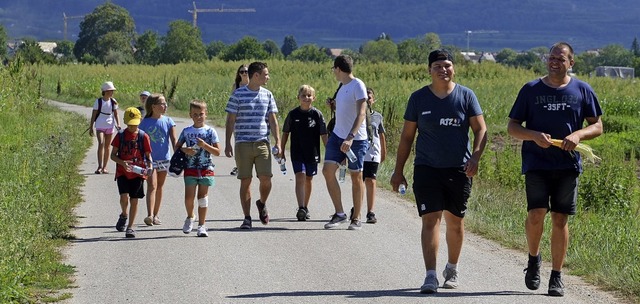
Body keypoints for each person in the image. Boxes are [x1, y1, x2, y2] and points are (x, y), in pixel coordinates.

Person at [507, 42, 603, 297]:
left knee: (560, 219)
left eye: (560, 59)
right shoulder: (531, 90)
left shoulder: (582, 90)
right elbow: (512, 127)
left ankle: (557, 276)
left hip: (567, 165)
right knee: (536, 214)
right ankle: (534, 259)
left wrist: (579, 135)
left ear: (571, 63)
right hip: (537, 163)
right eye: (551, 58)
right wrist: (533, 135)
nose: (554, 62)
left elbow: (598, 125)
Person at [390, 49, 487, 294]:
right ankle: (430, 275)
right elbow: (407, 138)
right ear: (429, 70)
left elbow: (481, 130)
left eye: (447, 65)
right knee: (430, 220)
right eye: (438, 66)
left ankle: (452, 268)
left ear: (453, 68)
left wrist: (475, 156)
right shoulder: (419, 98)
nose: (443, 70)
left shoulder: (466, 96)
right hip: (427, 168)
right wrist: (398, 170)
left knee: (455, 222)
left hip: (458, 168)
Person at [225, 61, 281, 230]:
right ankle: (247, 217)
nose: (268, 77)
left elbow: (272, 119)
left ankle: (262, 203)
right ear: (256, 76)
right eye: (265, 74)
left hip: (262, 142)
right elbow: (231, 120)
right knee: (245, 181)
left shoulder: (268, 95)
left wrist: (277, 141)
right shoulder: (238, 95)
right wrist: (228, 142)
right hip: (242, 143)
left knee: (266, 179)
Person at [322, 54, 369, 230]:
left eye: (334, 69)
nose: (333, 72)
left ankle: (356, 218)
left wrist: (350, 137)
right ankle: (340, 213)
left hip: (356, 139)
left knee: (356, 176)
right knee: (328, 171)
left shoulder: (358, 85)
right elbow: (345, 109)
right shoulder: (341, 87)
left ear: (338, 69)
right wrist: (333, 105)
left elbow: (361, 113)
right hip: (337, 135)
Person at [280, 85, 328, 221]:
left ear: (314, 98)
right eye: (303, 96)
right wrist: (282, 150)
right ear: (298, 98)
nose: (306, 98)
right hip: (297, 152)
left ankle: (305, 207)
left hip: (312, 152)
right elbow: (285, 133)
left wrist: (330, 152)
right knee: (300, 176)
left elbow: (324, 134)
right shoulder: (293, 114)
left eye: (309, 96)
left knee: (308, 178)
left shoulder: (317, 115)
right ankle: (300, 207)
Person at [175, 100, 220, 237]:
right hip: (190, 168)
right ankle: (190, 217)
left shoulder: (210, 131)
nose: (198, 117)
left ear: (206, 114)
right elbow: (177, 147)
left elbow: (217, 152)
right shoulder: (186, 131)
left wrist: (205, 145)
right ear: (190, 115)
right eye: (195, 114)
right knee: (189, 197)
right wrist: (185, 150)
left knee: (203, 197)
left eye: (201, 114)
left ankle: (202, 225)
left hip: (206, 168)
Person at [110, 107, 153, 238]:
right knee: (124, 197)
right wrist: (123, 163)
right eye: (130, 124)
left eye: (134, 124)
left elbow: (148, 155)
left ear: (139, 121)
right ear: (125, 122)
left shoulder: (143, 136)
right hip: (122, 172)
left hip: (138, 173)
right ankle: (124, 214)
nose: (132, 127)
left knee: (134, 200)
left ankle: (130, 227)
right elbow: (113, 155)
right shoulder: (120, 136)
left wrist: (150, 166)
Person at [138, 93, 177, 226]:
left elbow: (174, 140)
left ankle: (155, 215)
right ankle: (149, 214)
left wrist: (178, 155)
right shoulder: (144, 123)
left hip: (164, 159)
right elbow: (139, 140)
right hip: (149, 160)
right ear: (153, 106)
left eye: (165, 103)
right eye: (162, 103)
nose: (165, 106)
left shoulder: (168, 121)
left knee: (160, 186)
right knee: (152, 185)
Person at [361, 87, 386, 224]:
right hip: (359, 152)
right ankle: (357, 207)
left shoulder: (378, 116)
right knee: (359, 181)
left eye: (369, 97)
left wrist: (383, 152)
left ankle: (370, 211)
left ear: (373, 100)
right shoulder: (356, 114)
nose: (367, 100)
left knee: (371, 180)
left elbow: (381, 135)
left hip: (373, 153)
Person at [88, 81, 121, 174]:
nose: (112, 92)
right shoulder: (98, 101)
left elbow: (116, 114)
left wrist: (118, 124)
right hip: (99, 125)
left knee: (107, 146)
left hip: (110, 125)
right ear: (105, 91)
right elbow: (93, 115)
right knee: (101, 143)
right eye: (111, 90)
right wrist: (91, 127)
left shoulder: (113, 102)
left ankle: (105, 167)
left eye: (112, 91)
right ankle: (99, 166)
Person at [229, 64, 249, 176]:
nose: (244, 73)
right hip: (238, 119)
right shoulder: (236, 85)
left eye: (246, 71)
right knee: (238, 142)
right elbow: (232, 102)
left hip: (250, 119)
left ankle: (248, 165)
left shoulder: (253, 85)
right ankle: (239, 165)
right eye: (242, 72)